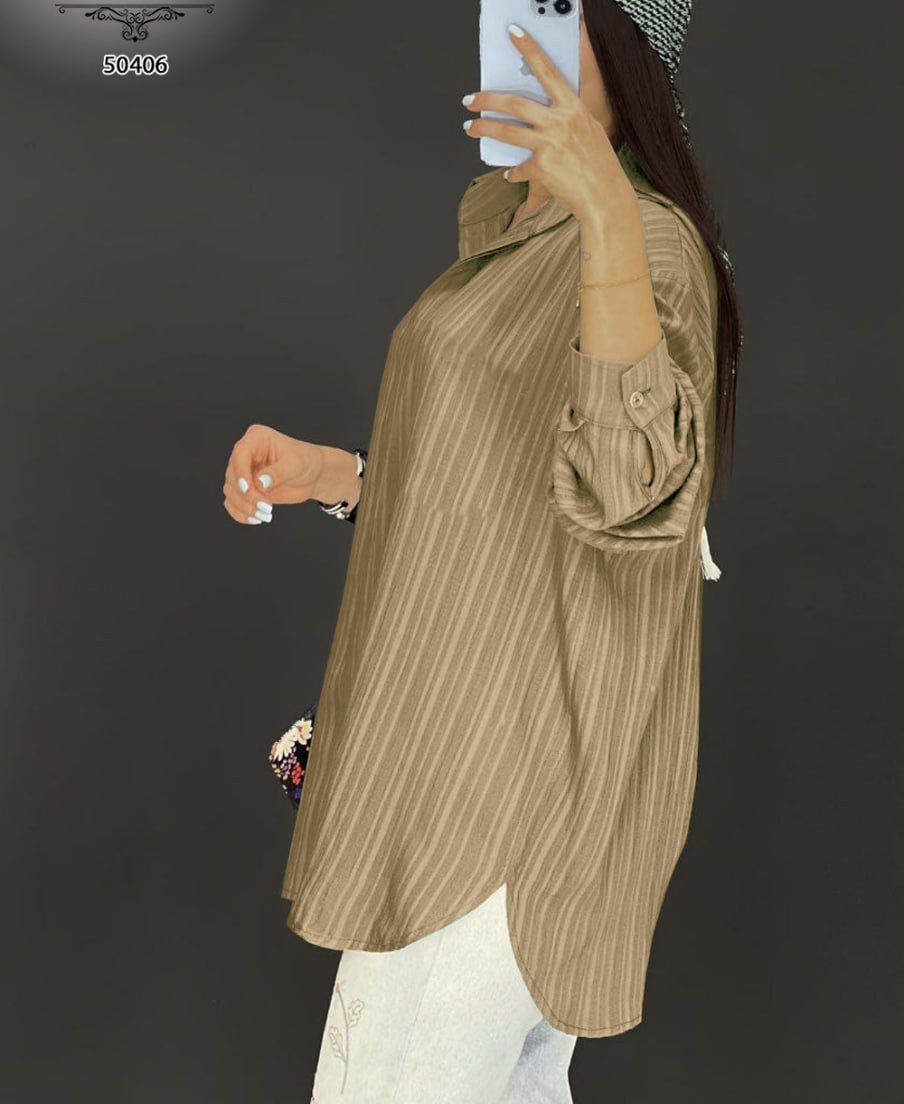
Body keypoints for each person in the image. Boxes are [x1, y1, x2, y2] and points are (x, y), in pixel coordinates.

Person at [221, 2, 742, 1100]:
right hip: (447, 760)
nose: (513, 43)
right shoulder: (514, 229)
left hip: (506, 788)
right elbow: (508, 502)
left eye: (550, 18)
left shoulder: (643, 241)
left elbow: (630, 495)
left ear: (624, 57)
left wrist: (606, 211)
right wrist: (337, 476)